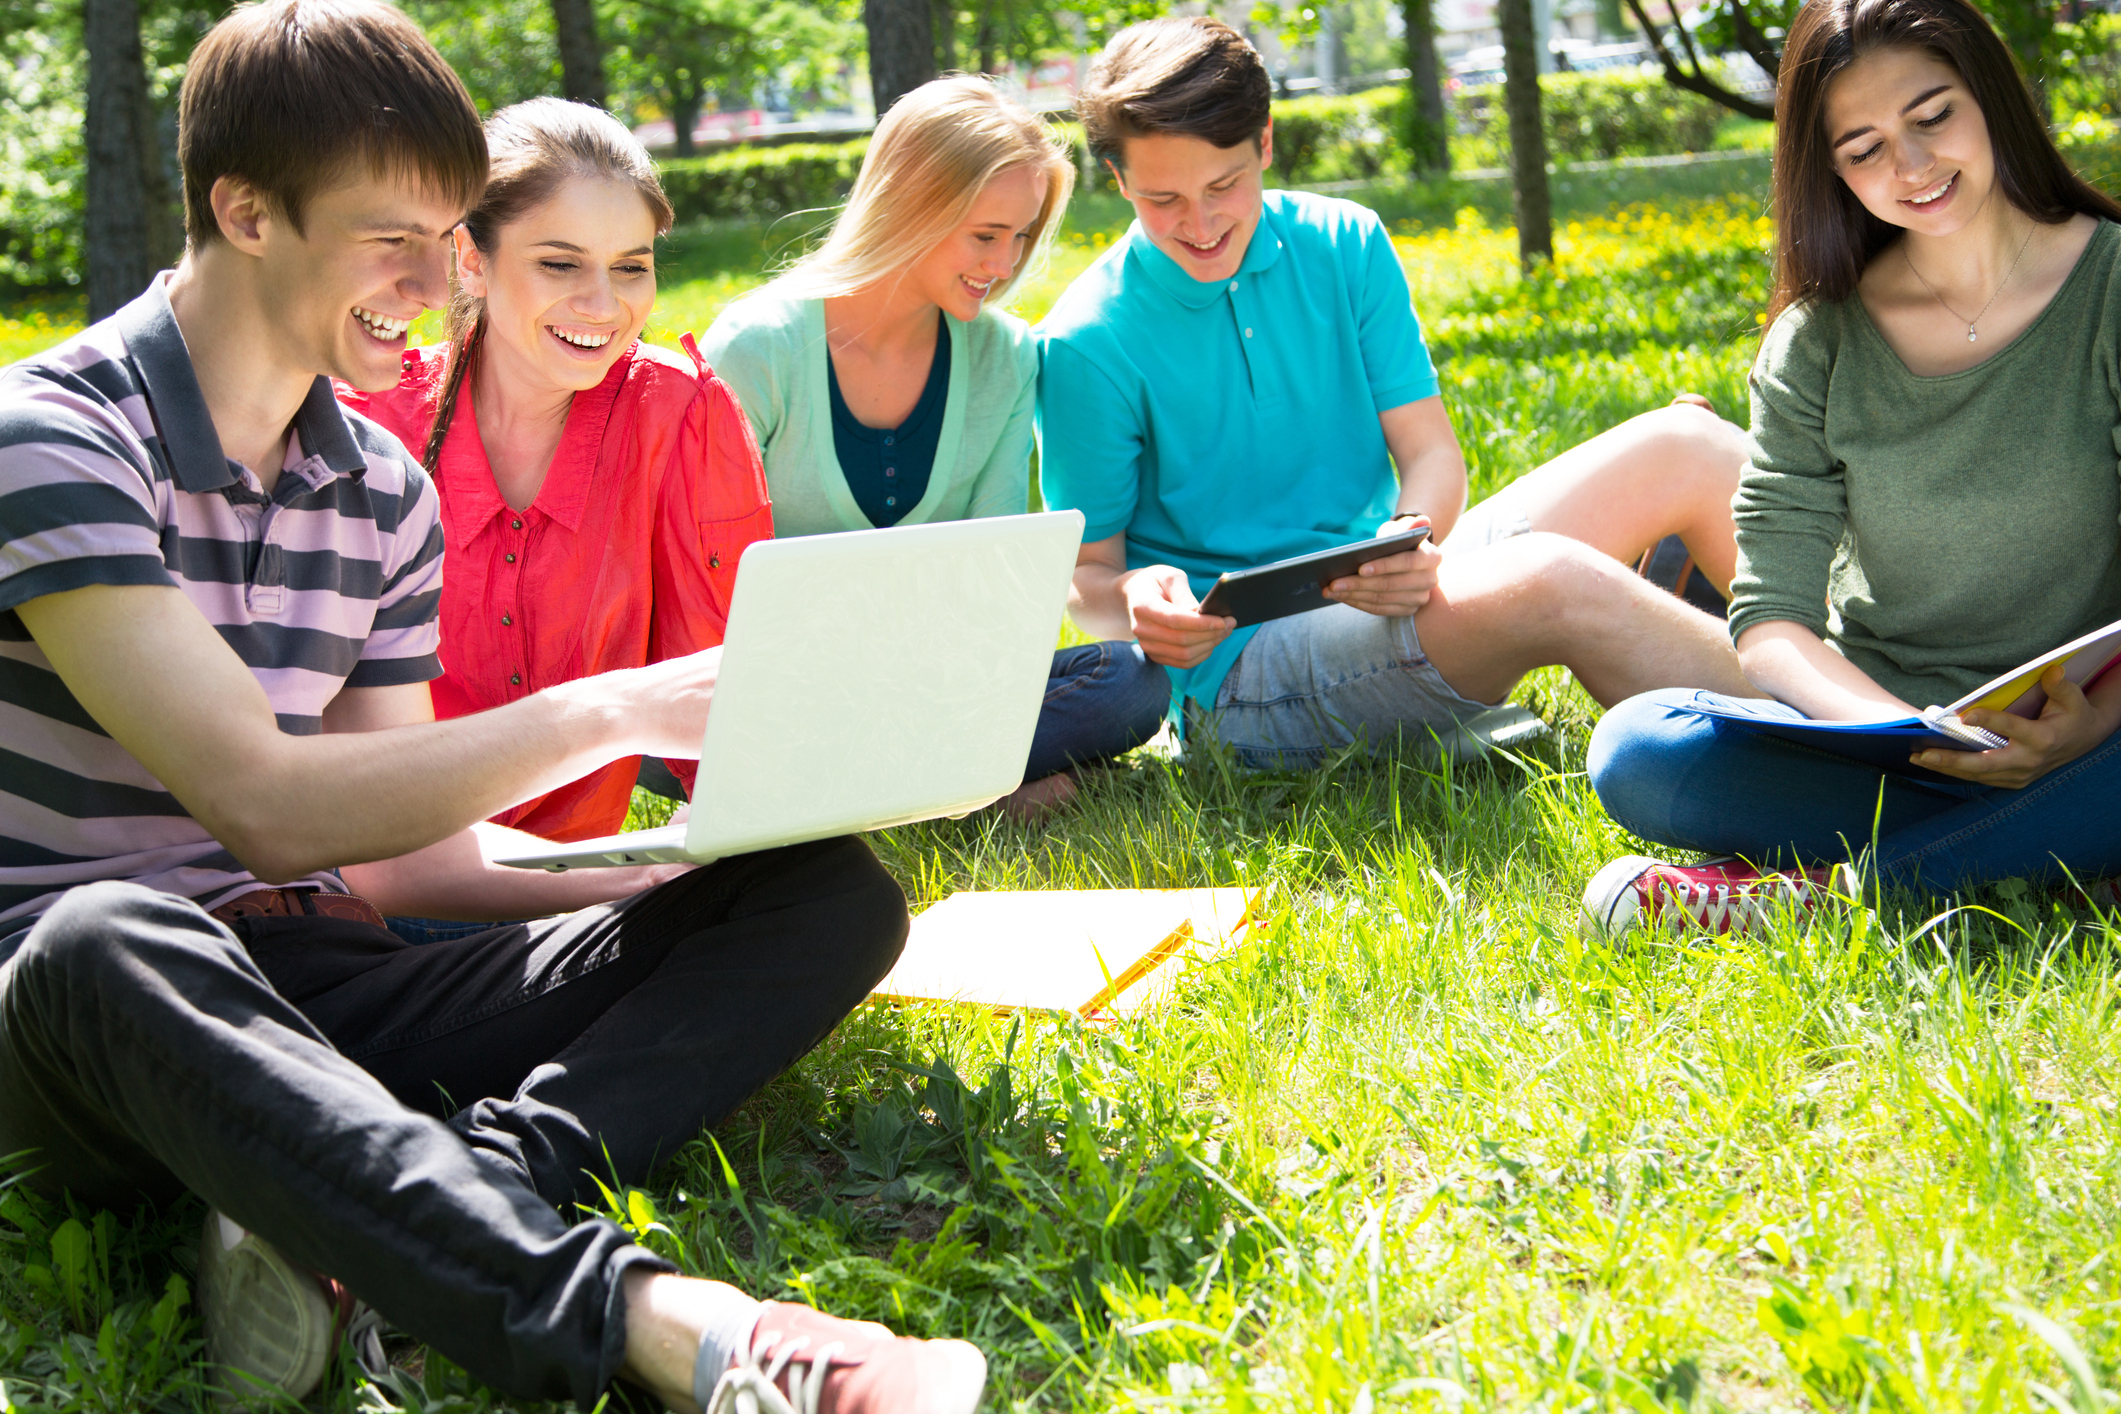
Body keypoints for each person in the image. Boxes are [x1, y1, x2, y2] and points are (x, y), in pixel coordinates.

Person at [0, 3, 984, 1409]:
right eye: (389, 235)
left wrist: (654, 877)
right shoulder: (54, 437)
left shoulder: (381, 493)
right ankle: (671, 1328)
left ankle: (439, 1186)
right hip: (78, 1016)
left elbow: (408, 861)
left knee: (822, 895)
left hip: (325, 971)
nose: (436, 276)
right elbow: (265, 807)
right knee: (115, 934)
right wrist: (618, 708)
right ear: (245, 211)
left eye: (449, 232)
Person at [1036, 17, 1761, 782]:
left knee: (1687, 445)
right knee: (1549, 576)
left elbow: (1429, 453)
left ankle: (1861, 672)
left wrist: (1412, 534)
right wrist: (1135, 601)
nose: (1201, 222)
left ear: (1266, 145)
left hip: (1390, 586)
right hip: (1243, 679)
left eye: (1224, 185)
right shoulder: (1086, 340)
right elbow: (1086, 579)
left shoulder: (1345, 241)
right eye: (1162, 200)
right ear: (1116, 182)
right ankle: (1853, 738)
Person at [1582, 0, 2121, 934]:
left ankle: (1833, 899)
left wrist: (2093, 726)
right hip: (1891, 737)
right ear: (1827, 168)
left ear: (1989, 99)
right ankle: (2050, 851)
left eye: (1931, 116)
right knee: (1637, 749)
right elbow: (1770, 621)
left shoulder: (2110, 284)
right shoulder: (1816, 340)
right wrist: (1902, 735)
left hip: (2095, 725)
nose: (1910, 168)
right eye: (1864, 147)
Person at [339, 97, 770, 942]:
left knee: (838, 898)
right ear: (469, 257)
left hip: (587, 889)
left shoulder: (677, 410)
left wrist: (731, 837)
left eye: (632, 266)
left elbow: (720, 676)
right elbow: (341, 794)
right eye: (560, 264)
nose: (603, 306)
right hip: (390, 886)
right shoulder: (363, 427)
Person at [699, 76, 1169, 817]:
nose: (1005, 263)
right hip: (768, 687)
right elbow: (707, 586)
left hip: (928, 684)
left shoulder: (1005, 357)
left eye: (1020, 237)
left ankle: (871, 789)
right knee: (675, 739)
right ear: (910, 203)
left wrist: (950, 676)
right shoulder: (757, 347)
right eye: (986, 235)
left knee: (1130, 684)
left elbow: (990, 587)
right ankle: (964, 786)